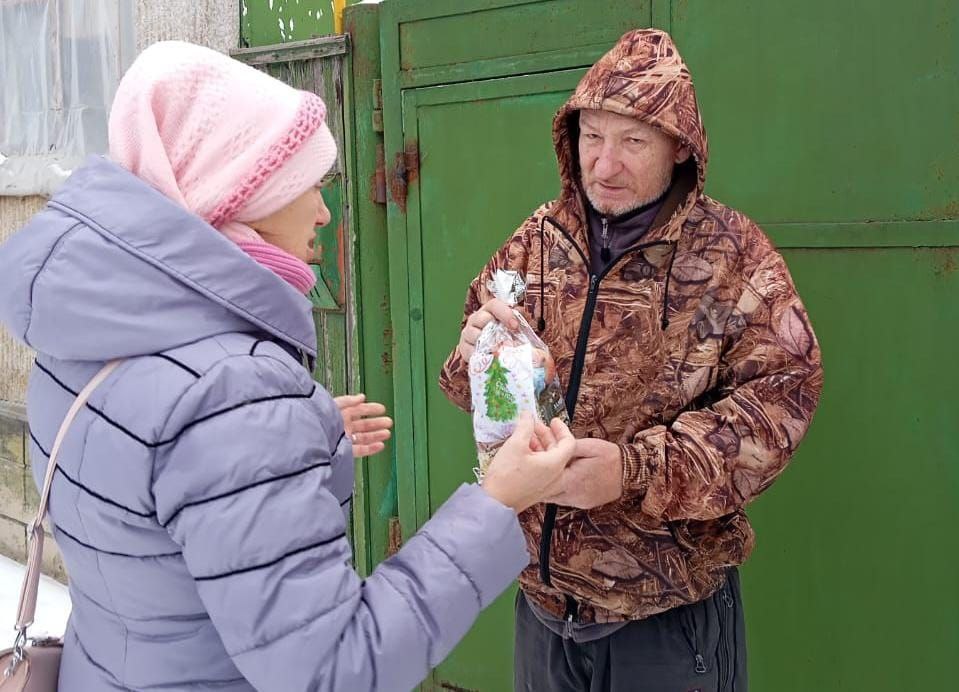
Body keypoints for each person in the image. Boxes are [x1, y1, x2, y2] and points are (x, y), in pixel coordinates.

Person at [0, 41, 576, 691]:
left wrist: (290, 439)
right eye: (309, 184)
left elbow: (149, 506)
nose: (325, 211)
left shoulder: (89, 332)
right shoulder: (232, 393)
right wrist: (498, 501)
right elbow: (335, 668)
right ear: (239, 190)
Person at [439, 29, 824, 691]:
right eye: (592, 137)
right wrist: (468, 359)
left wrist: (632, 471)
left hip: (662, 621)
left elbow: (778, 404)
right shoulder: (537, 241)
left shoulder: (732, 258)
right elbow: (475, 386)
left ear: (680, 147)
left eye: (633, 142)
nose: (604, 165)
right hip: (540, 605)